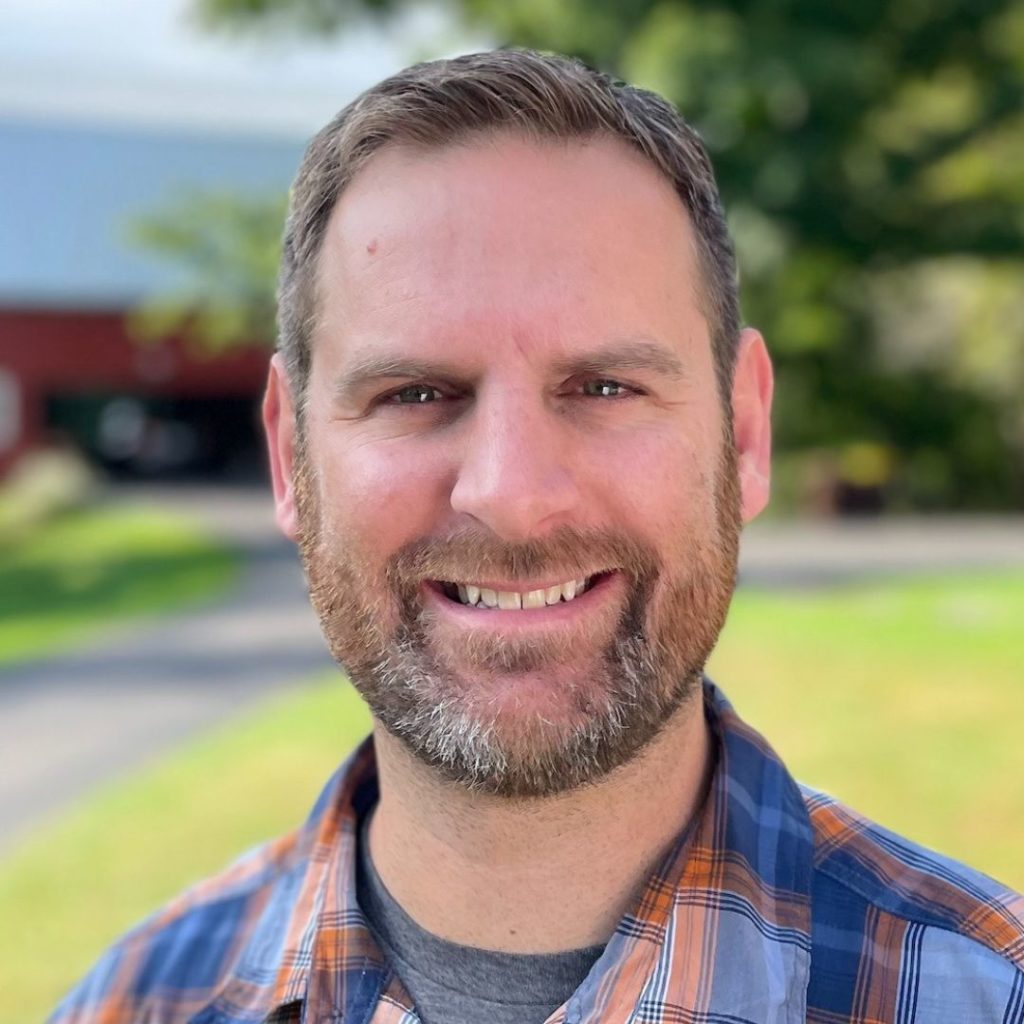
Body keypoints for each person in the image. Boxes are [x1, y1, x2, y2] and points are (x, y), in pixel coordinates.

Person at [50, 49, 1024, 1024]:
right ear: (288, 455)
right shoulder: (130, 1003)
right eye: (416, 393)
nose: (512, 494)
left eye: (604, 387)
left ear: (746, 432)